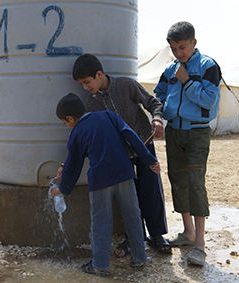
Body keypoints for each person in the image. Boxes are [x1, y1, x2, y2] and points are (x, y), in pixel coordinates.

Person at [50, 93, 161, 276]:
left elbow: (74, 164)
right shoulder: (108, 115)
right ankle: (140, 258)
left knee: (101, 222)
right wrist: (149, 159)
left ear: (70, 118)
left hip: (100, 180)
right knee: (133, 215)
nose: (66, 125)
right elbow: (131, 135)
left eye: (65, 122)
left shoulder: (76, 133)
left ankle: (99, 265)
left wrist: (63, 188)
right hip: (125, 173)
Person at [71, 53, 171, 256]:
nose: (85, 87)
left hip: (145, 146)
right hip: (120, 157)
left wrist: (157, 119)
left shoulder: (126, 85)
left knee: (151, 191)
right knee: (128, 199)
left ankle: (157, 235)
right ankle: (133, 238)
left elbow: (153, 103)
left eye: (87, 82)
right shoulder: (90, 104)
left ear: (99, 74)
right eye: (81, 84)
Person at [154, 21, 222, 266]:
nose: (178, 53)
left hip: (197, 134)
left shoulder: (208, 66)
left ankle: (200, 245)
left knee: (195, 183)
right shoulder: (171, 69)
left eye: (182, 47)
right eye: (174, 49)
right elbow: (158, 94)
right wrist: (158, 116)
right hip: (174, 133)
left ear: (194, 42)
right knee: (178, 180)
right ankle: (187, 232)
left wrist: (187, 82)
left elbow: (208, 101)